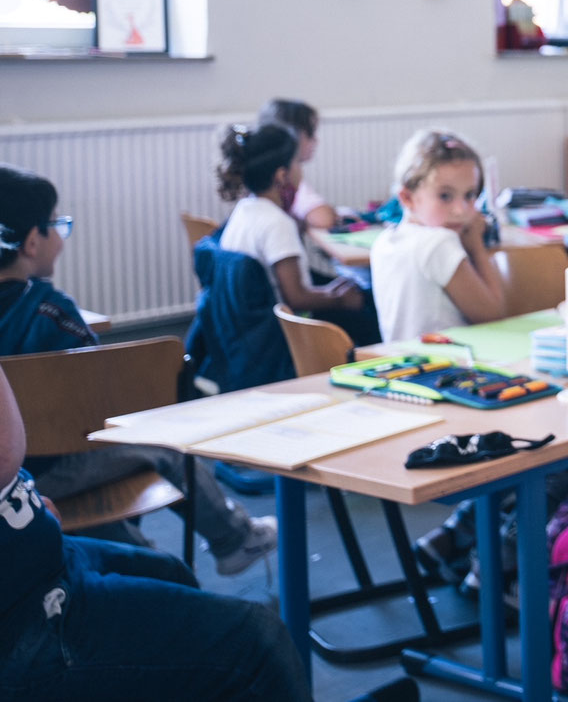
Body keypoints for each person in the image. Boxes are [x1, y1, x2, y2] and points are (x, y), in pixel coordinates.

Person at [0, 166, 275, 576]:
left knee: (124, 546)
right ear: (32, 241)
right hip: (57, 468)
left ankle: (157, 573)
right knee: (163, 443)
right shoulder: (51, 310)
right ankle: (233, 538)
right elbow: (99, 401)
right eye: (57, 224)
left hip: (12, 485)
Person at [0, 365, 310, 702]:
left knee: (170, 571)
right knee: (259, 641)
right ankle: (233, 538)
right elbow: (6, 452)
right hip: (25, 612)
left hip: (39, 543)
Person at [217, 123, 374, 343]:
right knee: (367, 309)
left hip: (248, 329)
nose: (301, 170)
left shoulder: (245, 209)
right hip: (285, 333)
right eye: (298, 163)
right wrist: (339, 299)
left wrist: (330, 290)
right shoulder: (277, 223)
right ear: (282, 175)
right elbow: (296, 297)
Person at [368, 130, 508, 343]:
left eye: (470, 195)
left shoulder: (384, 241)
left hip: (403, 363)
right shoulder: (438, 243)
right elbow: (492, 315)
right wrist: (476, 246)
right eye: (445, 196)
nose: (460, 210)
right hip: (447, 366)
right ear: (407, 197)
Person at [257, 98, 335, 231]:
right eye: (310, 133)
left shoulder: (260, 173)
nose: (315, 140)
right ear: (293, 136)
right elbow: (322, 218)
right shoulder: (285, 178)